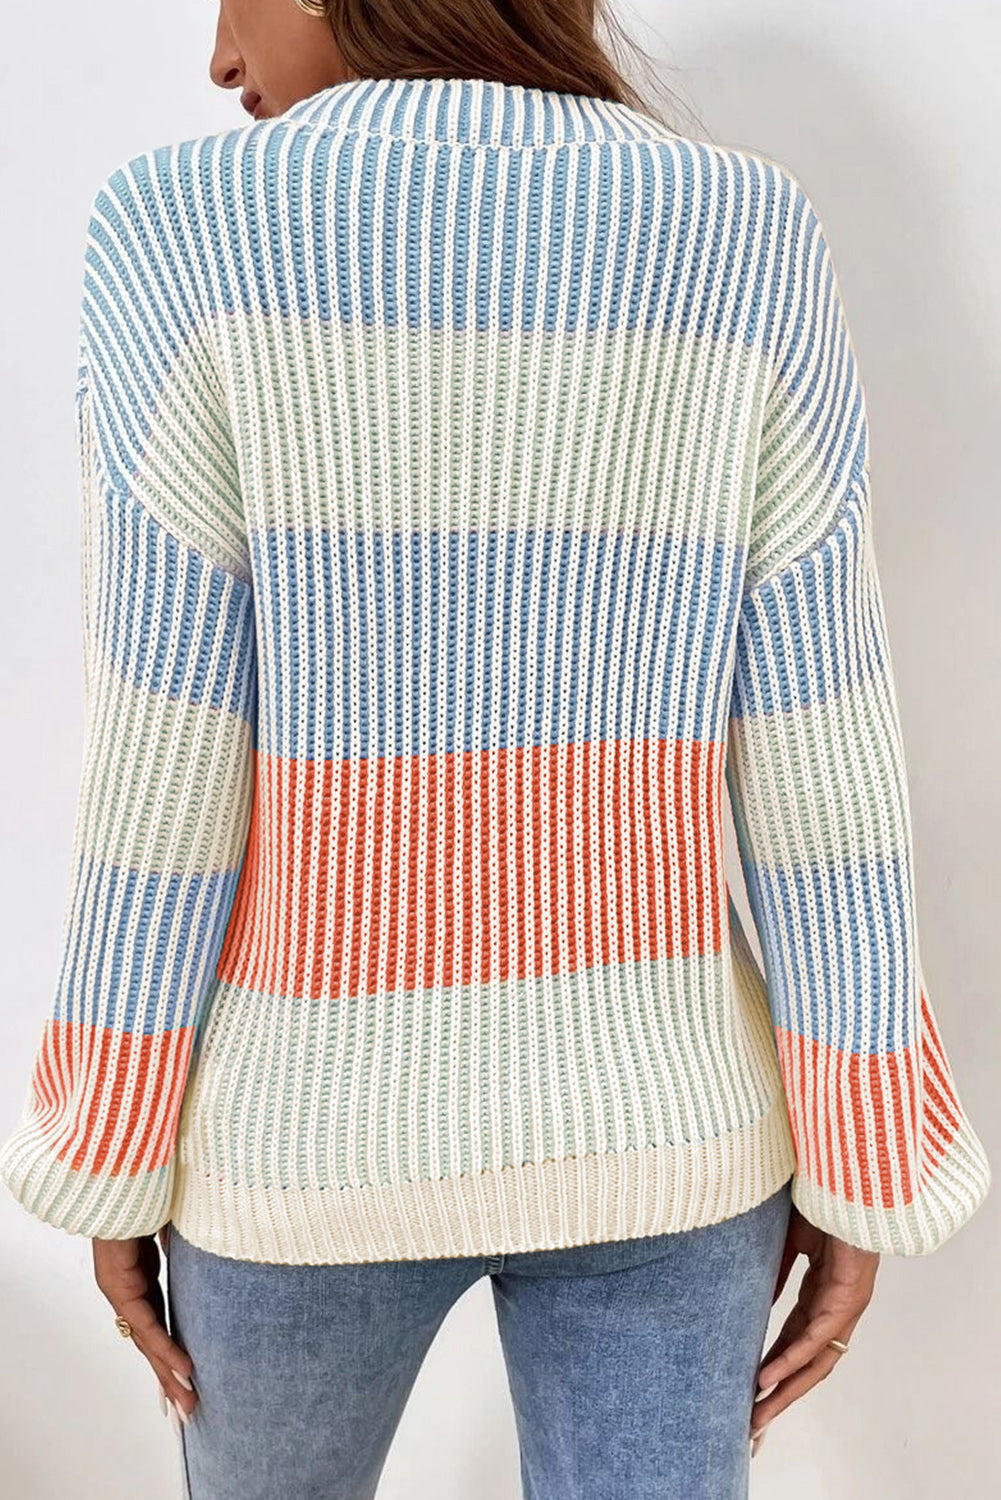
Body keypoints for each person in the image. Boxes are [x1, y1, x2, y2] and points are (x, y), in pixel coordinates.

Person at [0, 2, 991, 1496]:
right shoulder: (740, 228)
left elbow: (165, 747)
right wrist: (866, 1150)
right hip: (671, 1135)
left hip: (298, 1144)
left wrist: (113, 1145)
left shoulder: (183, 223)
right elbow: (820, 738)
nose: (217, 56)